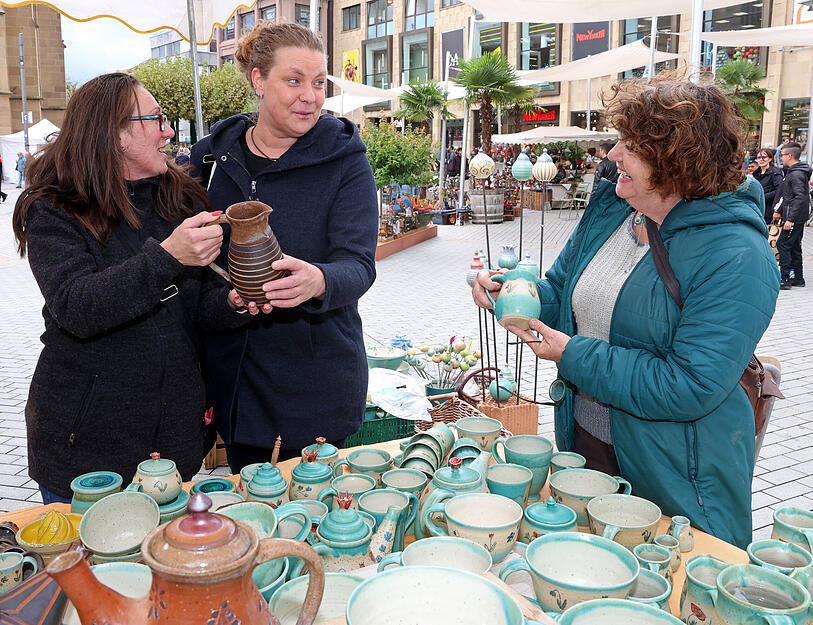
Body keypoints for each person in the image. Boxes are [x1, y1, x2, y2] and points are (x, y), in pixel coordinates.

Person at [472, 77, 779, 548]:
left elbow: (689, 385)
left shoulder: (737, 254)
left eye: (631, 146)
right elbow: (561, 292)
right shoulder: (616, 210)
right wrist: (514, 292)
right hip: (589, 444)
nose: (614, 155)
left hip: (676, 475)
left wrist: (572, 355)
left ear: (676, 160)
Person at [11, 73, 269, 503]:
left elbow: (198, 306)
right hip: (86, 454)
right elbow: (76, 306)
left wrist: (235, 301)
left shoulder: (179, 198)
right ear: (114, 135)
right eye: (157, 119)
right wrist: (168, 256)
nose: (169, 131)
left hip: (174, 447)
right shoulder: (54, 208)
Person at [190, 22, 378, 472]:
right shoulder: (210, 161)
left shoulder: (346, 161)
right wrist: (224, 298)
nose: (310, 96)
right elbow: (186, 263)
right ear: (258, 79)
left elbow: (359, 265)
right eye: (294, 80)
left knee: (323, 523)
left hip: (317, 380)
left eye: (318, 83)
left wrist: (319, 280)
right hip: (238, 383)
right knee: (256, 517)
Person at [772, 142, 812, 289]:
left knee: (783, 244)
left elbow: (799, 197)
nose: (780, 157)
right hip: (795, 216)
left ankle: (785, 278)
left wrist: (790, 219)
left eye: (782, 155)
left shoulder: (796, 174)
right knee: (794, 246)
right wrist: (780, 211)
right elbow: (788, 196)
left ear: (789, 156)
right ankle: (798, 278)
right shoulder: (795, 172)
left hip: (794, 217)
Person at [753, 147, 783, 223]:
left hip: (769, 209)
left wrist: (763, 196)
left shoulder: (775, 173)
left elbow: (779, 190)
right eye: (759, 157)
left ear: (770, 159)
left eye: (764, 157)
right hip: (757, 208)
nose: (761, 160)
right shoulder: (756, 173)